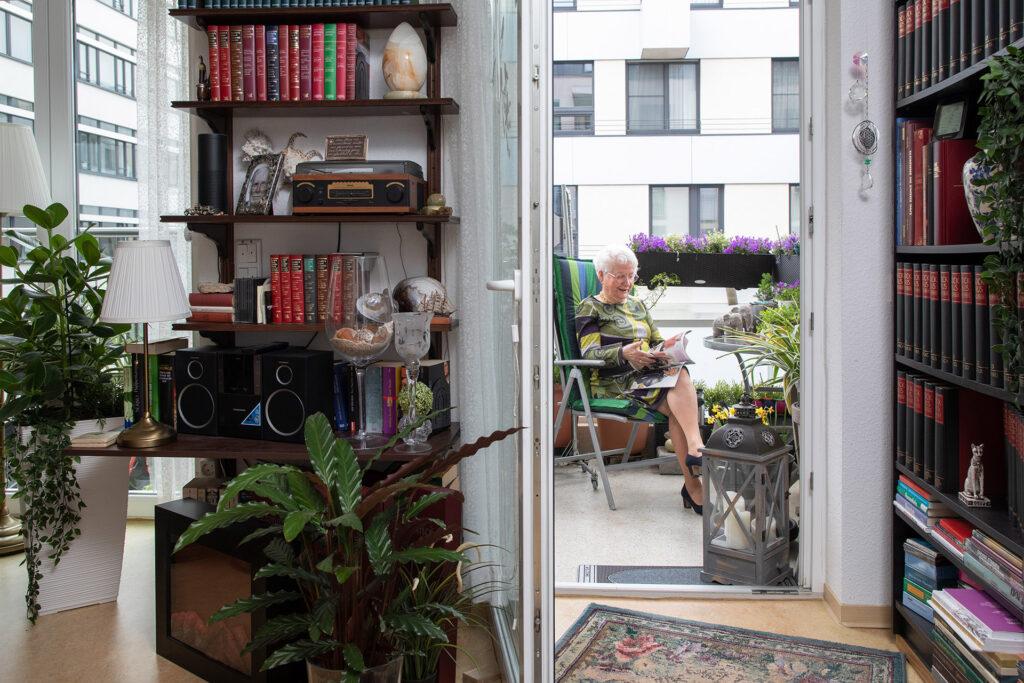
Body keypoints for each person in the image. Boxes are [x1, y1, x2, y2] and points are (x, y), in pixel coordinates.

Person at [575, 244, 706, 513]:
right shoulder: (589, 307)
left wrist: (666, 349)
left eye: (632, 275)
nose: (628, 283)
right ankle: (694, 479)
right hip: (616, 382)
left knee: (678, 370)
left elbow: (657, 340)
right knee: (677, 406)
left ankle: (694, 467)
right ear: (602, 276)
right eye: (620, 276)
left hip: (648, 376)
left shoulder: (638, 304)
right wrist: (625, 353)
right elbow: (589, 353)